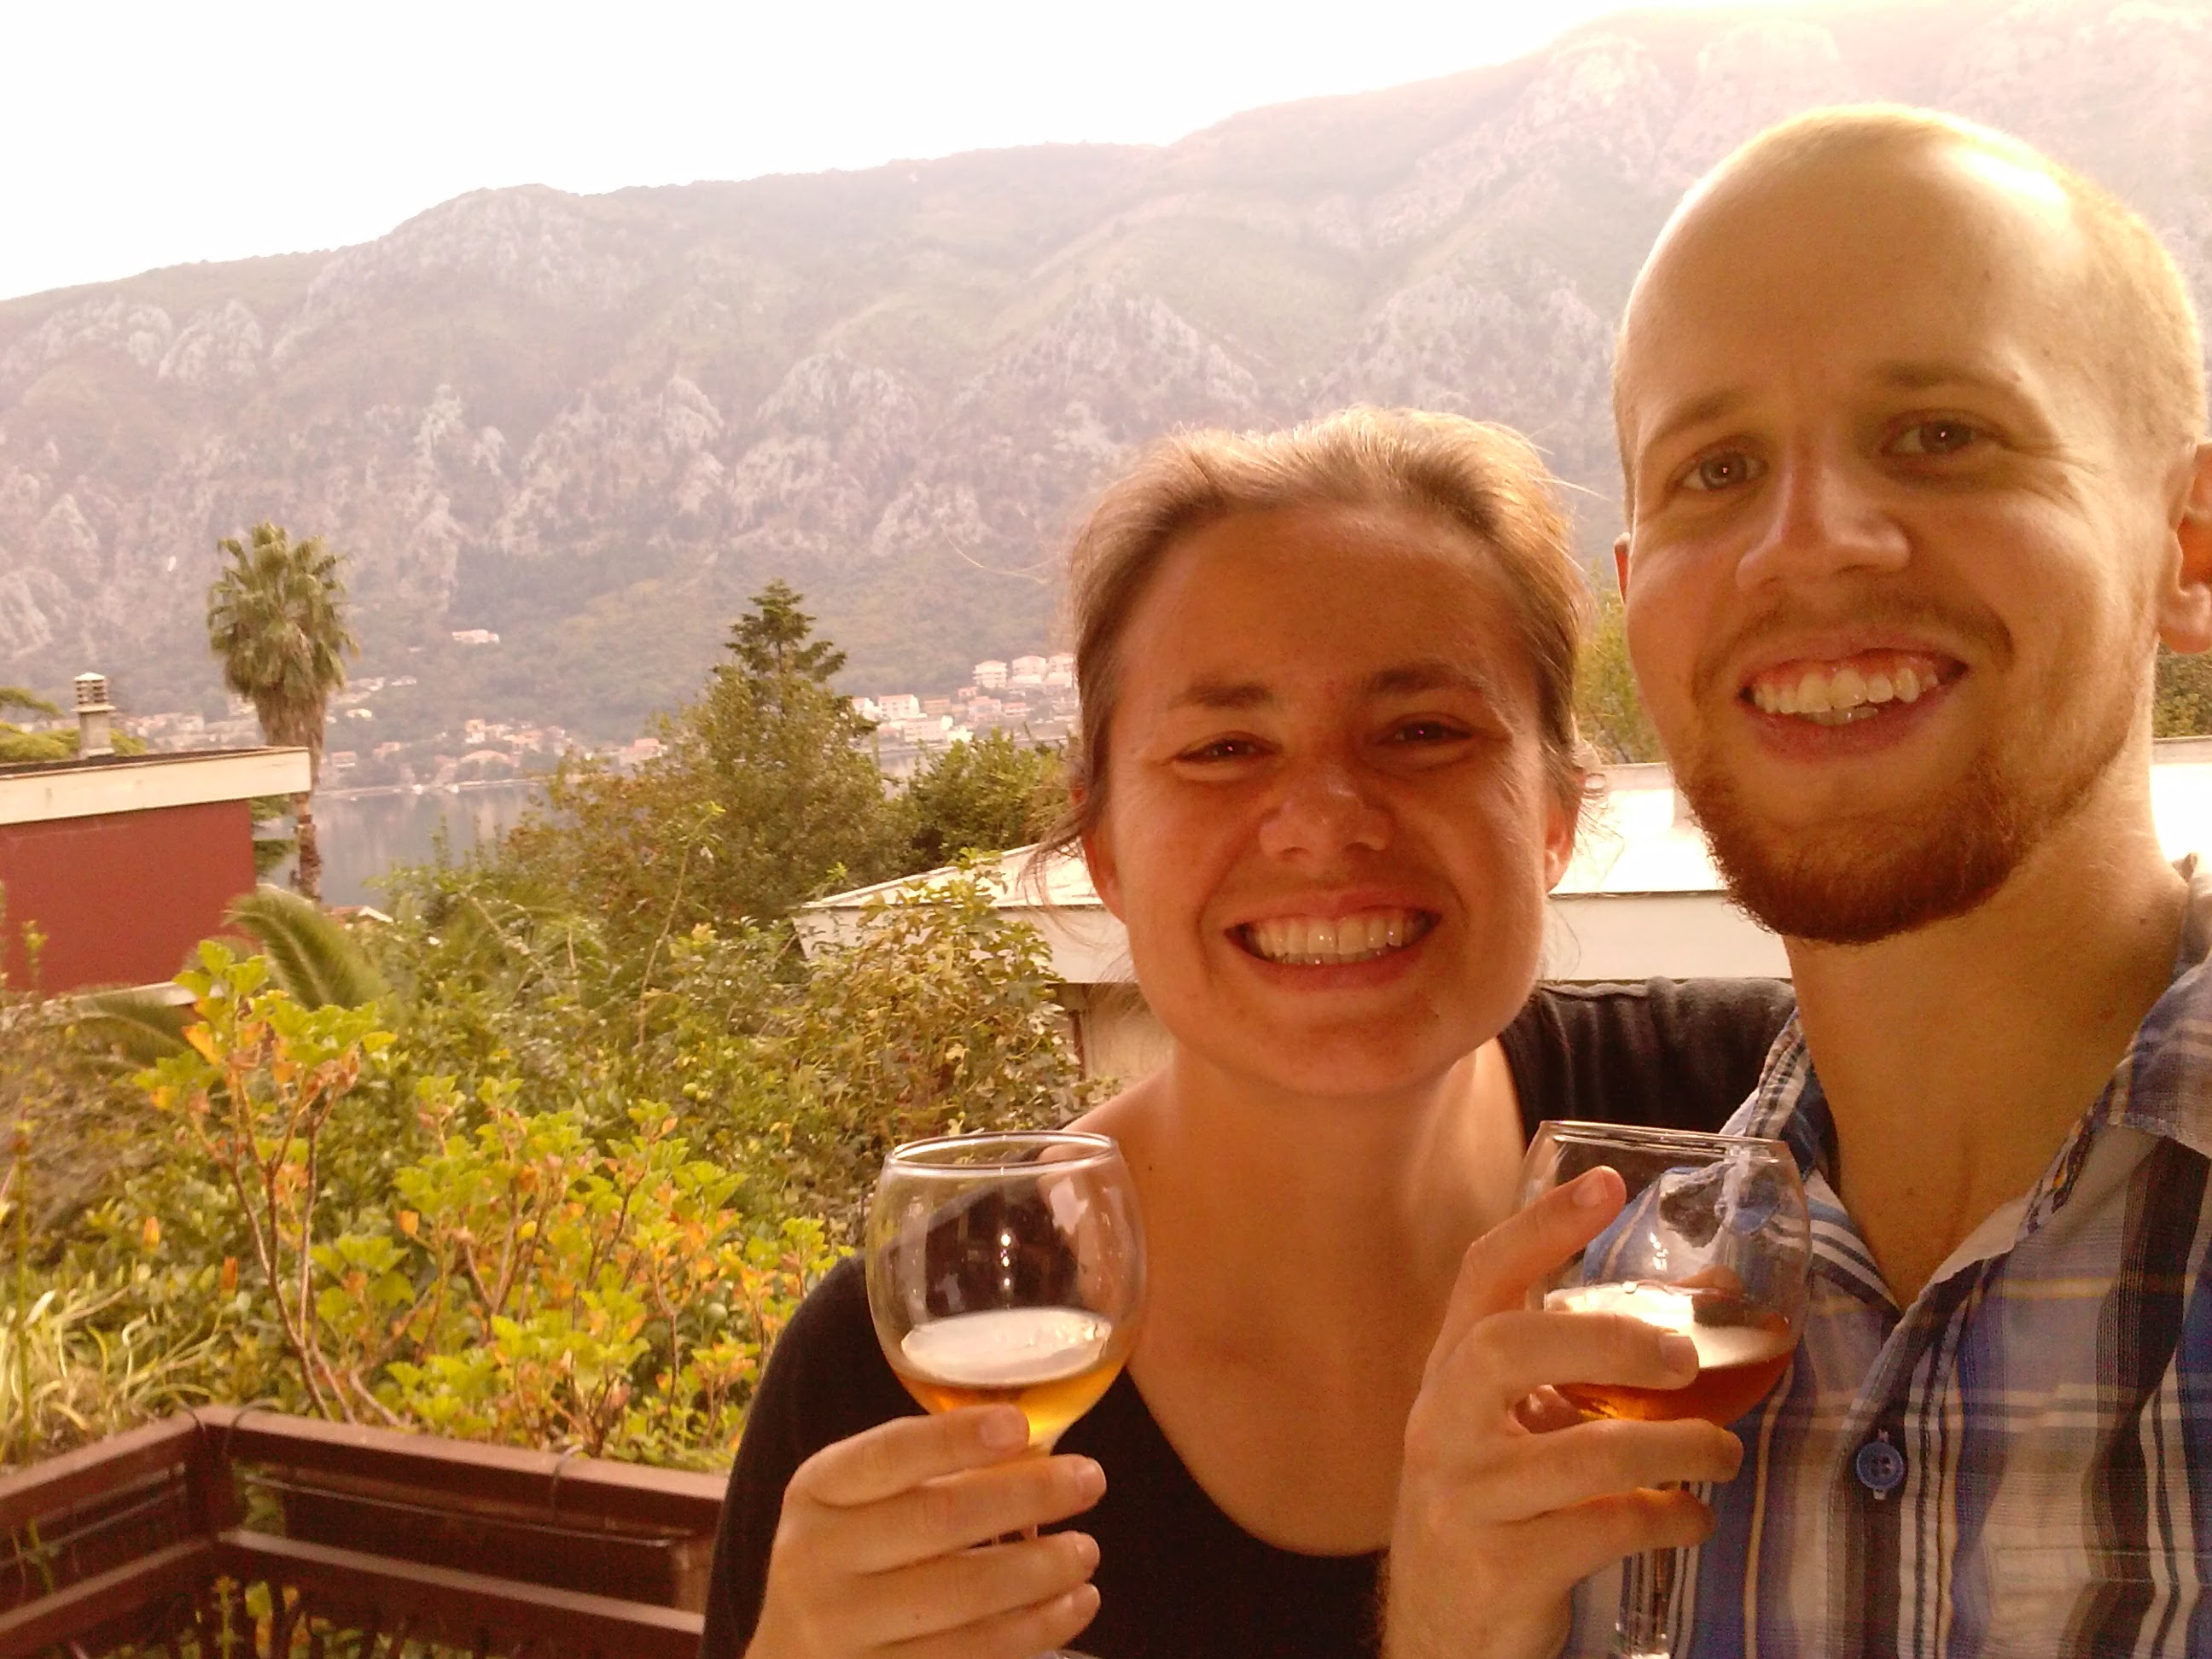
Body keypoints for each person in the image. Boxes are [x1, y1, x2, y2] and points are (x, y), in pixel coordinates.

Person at [699, 408, 1796, 1659]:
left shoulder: (1764, 1132)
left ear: (1556, 812)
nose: (1324, 820)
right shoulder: (904, 1366)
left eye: (1423, 731)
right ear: (1106, 853)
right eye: (1224, 748)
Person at [1382, 107, 2212, 1659]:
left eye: (1940, 434)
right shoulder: (1599, 1358)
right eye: (1716, 469)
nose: (1807, 545)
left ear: (2187, 541)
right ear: (1641, 601)